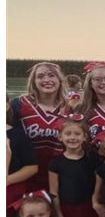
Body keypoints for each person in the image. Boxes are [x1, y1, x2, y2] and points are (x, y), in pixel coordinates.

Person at [11, 62, 69, 191]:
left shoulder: (70, 108)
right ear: (34, 81)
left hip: (61, 175)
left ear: (59, 80)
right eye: (41, 76)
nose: (46, 80)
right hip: (25, 175)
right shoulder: (19, 105)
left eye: (51, 75)